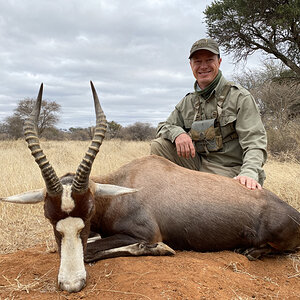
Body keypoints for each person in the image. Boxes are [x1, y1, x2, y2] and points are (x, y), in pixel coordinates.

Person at [150, 38, 267, 190]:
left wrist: (249, 173)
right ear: (191, 65)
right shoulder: (187, 102)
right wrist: (178, 134)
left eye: (209, 60)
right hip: (198, 166)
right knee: (159, 145)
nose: (203, 66)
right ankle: (165, 195)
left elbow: (255, 142)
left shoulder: (240, 97)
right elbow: (163, 127)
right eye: (197, 61)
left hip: (230, 170)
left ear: (219, 62)